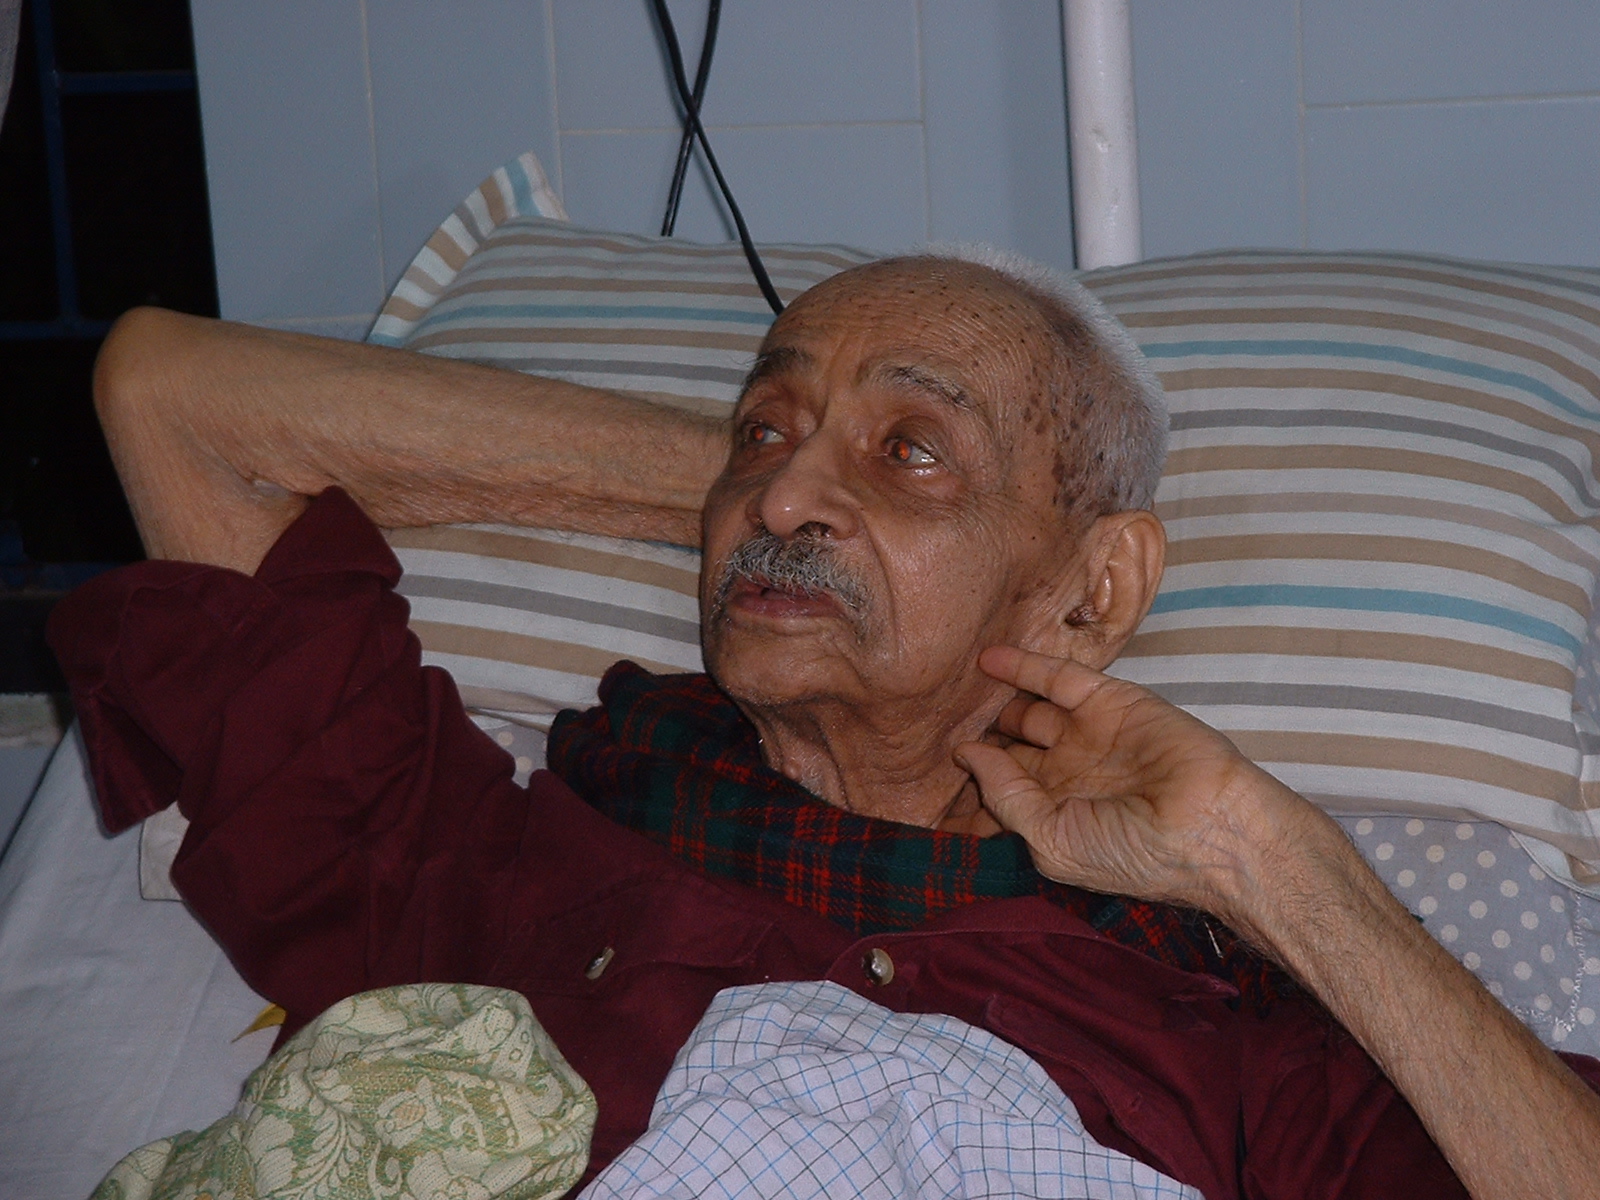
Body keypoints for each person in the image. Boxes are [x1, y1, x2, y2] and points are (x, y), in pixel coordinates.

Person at [53, 251, 1600, 1199]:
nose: (787, 487)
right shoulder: (498, 860)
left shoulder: (1218, 1023)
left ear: (1097, 588)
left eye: (915, 444)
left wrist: (1273, 865)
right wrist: (775, 494)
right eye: (765, 425)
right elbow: (171, 392)